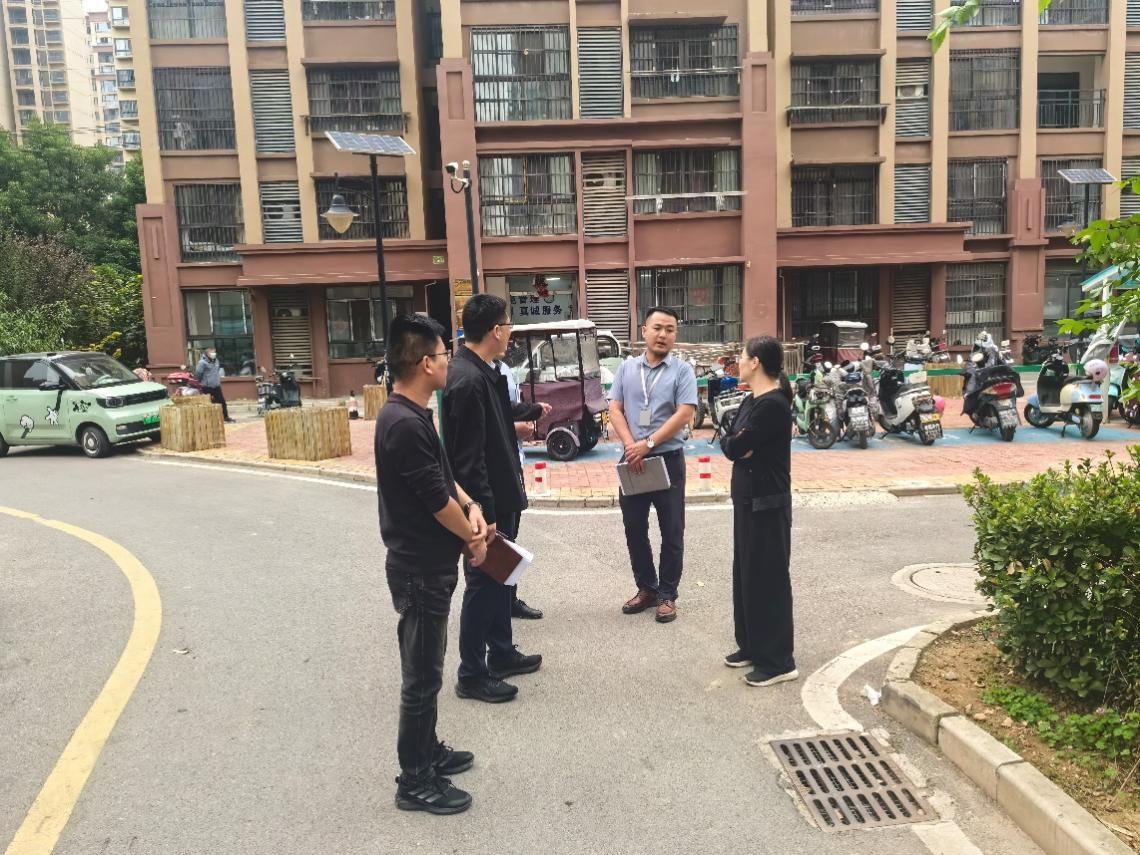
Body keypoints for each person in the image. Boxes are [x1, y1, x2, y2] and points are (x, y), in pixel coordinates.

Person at [376, 314, 489, 815]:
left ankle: (428, 750)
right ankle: (414, 779)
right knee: (421, 679)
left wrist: (472, 506)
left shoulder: (415, 413)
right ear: (426, 362)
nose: (448, 361)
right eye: (444, 354)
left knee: (429, 670)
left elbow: (445, 481)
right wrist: (472, 539)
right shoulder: (401, 423)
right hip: (418, 570)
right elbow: (435, 502)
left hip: (430, 566)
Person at [444, 294, 545, 703]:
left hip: (503, 494)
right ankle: (471, 673)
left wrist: (526, 418)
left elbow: (497, 425)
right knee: (483, 583)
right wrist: (482, 512)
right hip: (486, 505)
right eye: (508, 326)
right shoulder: (467, 379)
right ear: (495, 330)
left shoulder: (485, 371)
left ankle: (501, 653)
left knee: (503, 575)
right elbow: (468, 461)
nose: (510, 333)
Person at [608, 306, 698, 623]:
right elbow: (615, 409)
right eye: (657, 328)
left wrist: (647, 444)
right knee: (634, 528)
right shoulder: (626, 369)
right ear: (644, 330)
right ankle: (646, 588)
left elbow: (684, 413)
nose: (663, 335)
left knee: (672, 531)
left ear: (675, 334)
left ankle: (667, 594)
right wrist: (631, 445)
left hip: (668, 460)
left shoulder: (682, 371)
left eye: (670, 329)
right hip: (632, 460)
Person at [719, 336, 797, 688]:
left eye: (742, 356)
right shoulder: (752, 400)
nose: (738, 360)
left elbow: (737, 446)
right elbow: (730, 441)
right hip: (748, 502)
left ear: (756, 363)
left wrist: (739, 443)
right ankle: (752, 645)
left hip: (768, 503)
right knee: (747, 575)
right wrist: (738, 443)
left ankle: (779, 661)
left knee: (769, 580)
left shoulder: (774, 405)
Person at [496, 357, 548, 621]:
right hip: (498, 470)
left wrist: (530, 415)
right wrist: (514, 428)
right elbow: (489, 422)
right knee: (499, 541)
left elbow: (509, 408)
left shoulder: (504, 369)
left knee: (510, 538)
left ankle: (508, 599)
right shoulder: (475, 373)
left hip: (514, 462)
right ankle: (497, 604)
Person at [195, 347, 234, 423]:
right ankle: (209, 420)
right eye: (212, 352)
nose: (214, 354)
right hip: (206, 387)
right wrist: (201, 383)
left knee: (222, 402)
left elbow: (217, 371)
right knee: (208, 403)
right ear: (207, 354)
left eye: (214, 352)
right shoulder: (202, 363)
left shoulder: (216, 361)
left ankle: (225, 417)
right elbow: (198, 374)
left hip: (216, 386)